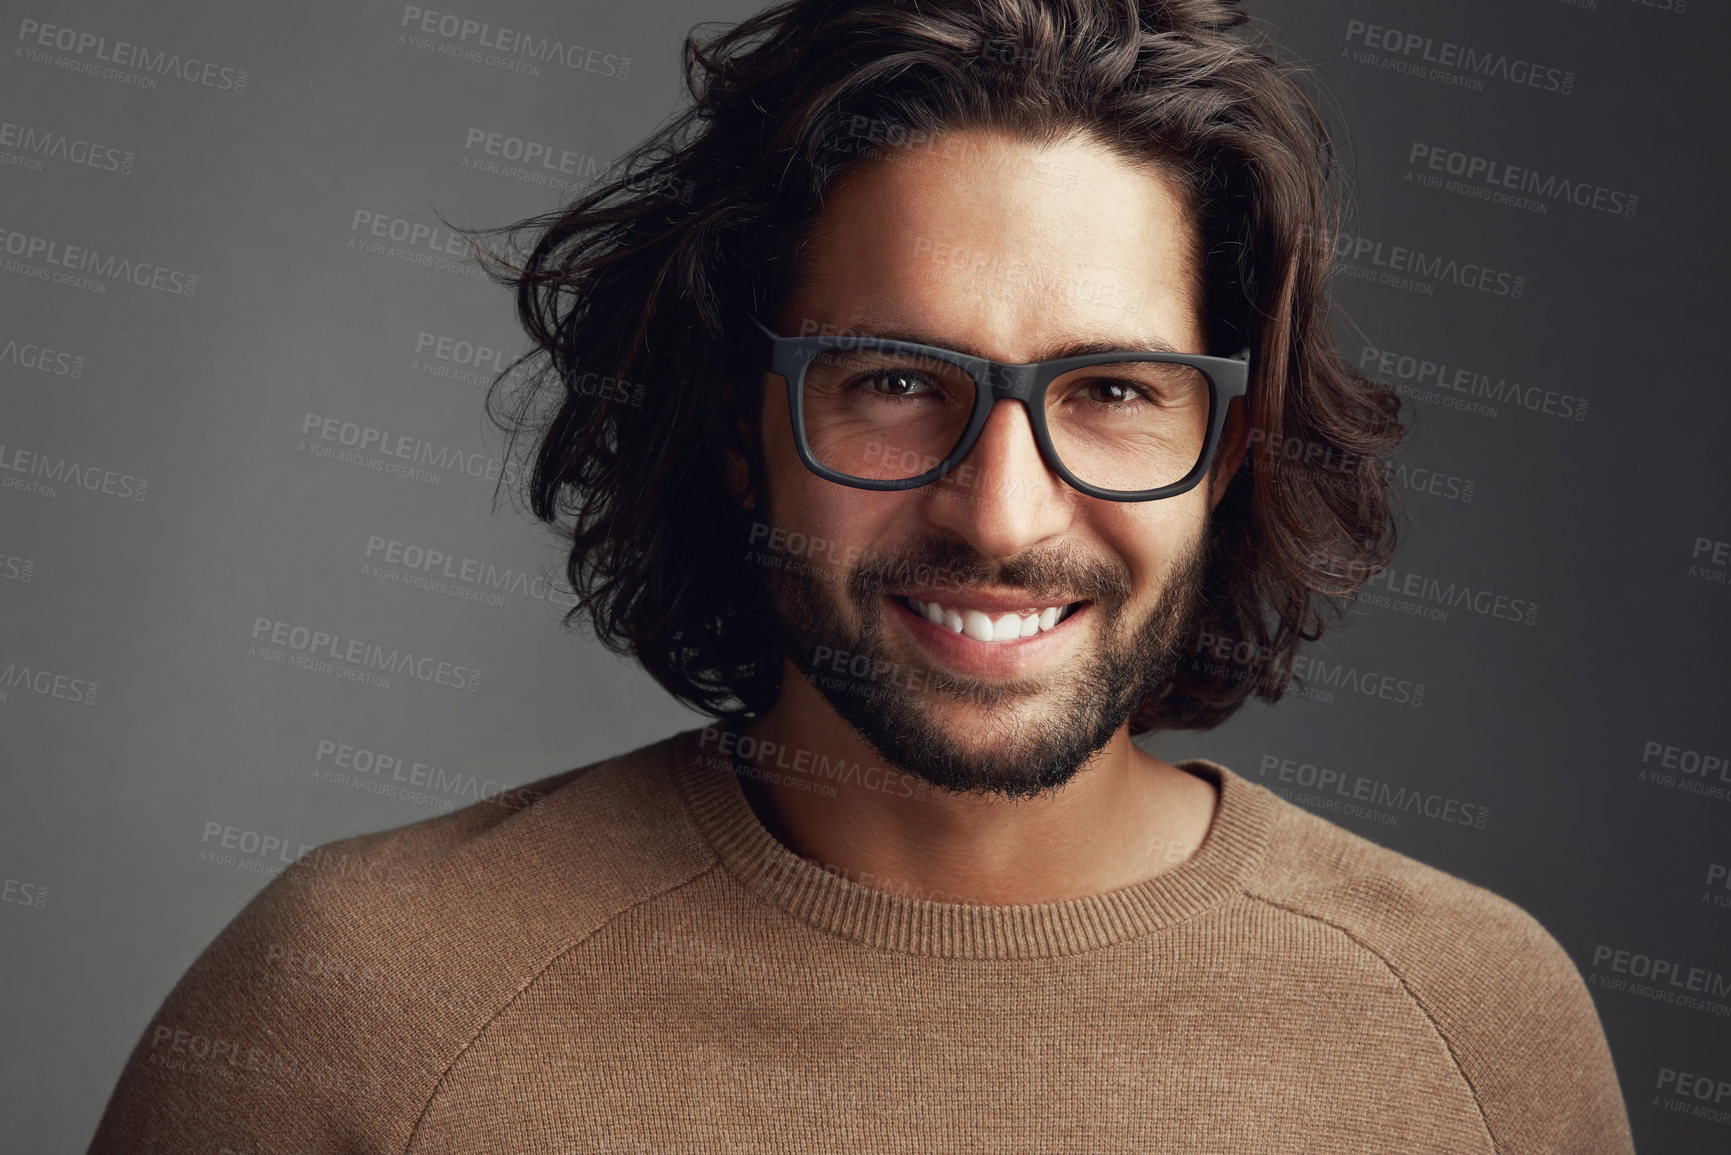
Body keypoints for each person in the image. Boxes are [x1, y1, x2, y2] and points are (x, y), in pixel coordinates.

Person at [90, 1, 1635, 1151]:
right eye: (894, 383)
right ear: (739, 429)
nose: (1001, 510)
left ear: (1228, 455)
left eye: (1112, 391)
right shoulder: (353, 1005)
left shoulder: (1476, 1026)